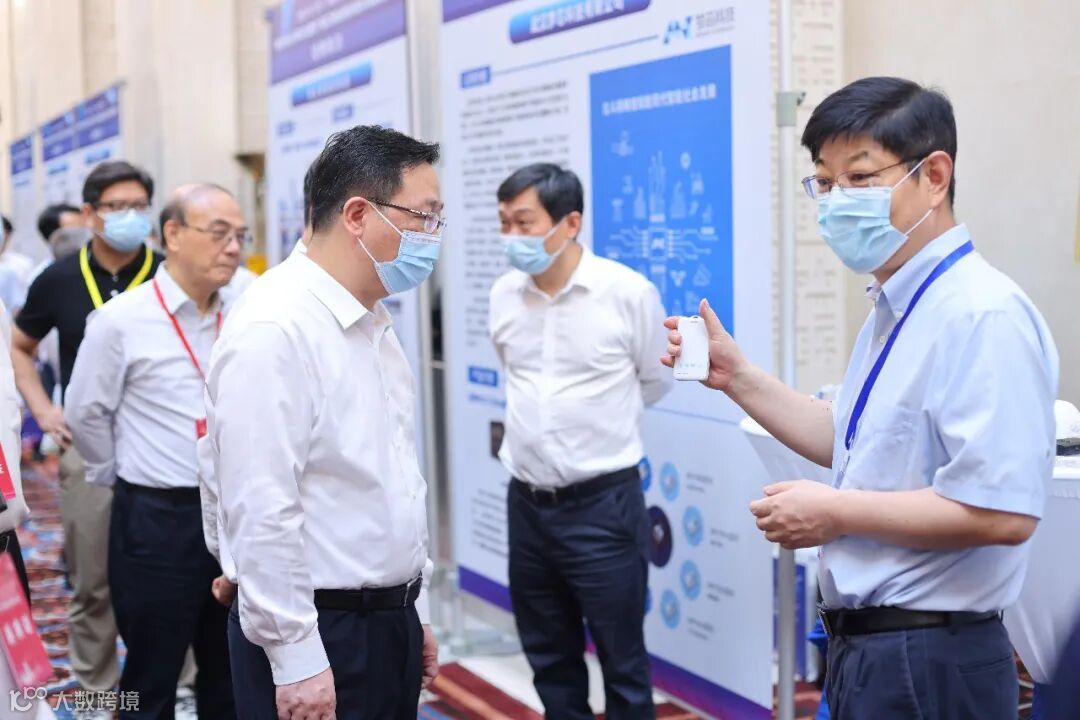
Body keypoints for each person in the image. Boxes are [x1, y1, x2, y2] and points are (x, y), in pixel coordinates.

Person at [663, 77, 1058, 719]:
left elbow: (1001, 511)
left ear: (934, 176)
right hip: (876, 649)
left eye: (861, 177)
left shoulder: (981, 315)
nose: (837, 201)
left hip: (929, 655)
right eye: (824, 181)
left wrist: (836, 512)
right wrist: (738, 376)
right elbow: (853, 442)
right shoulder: (898, 304)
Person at [203, 125, 441, 719]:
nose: (433, 236)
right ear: (358, 214)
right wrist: (295, 657)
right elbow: (260, 505)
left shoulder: (370, 319)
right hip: (322, 632)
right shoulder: (276, 327)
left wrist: (415, 609)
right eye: (424, 217)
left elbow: (392, 482)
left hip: (383, 620)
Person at [490, 163, 672, 719]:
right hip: (527, 505)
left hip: (602, 507)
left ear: (570, 223)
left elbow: (654, 380)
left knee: (622, 663)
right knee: (549, 660)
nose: (511, 236)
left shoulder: (626, 293)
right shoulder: (504, 294)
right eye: (504, 222)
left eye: (524, 222)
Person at [65, 184, 243, 718]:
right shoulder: (122, 320)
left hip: (238, 513)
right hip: (158, 519)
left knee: (233, 670)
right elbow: (86, 413)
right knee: (152, 673)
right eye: (219, 234)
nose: (234, 247)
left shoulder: (249, 307)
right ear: (173, 234)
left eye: (241, 235)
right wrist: (119, 475)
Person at [11, 160, 163, 693]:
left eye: (139, 206)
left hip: (162, 442)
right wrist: (44, 411)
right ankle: (98, 687)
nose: (130, 216)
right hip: (86, 442)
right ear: (90, 213)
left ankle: (175, 682)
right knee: (92, 576)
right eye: (117, 207)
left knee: (174, 572)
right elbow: (21, 348)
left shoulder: (167, 273)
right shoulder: (58, 279)